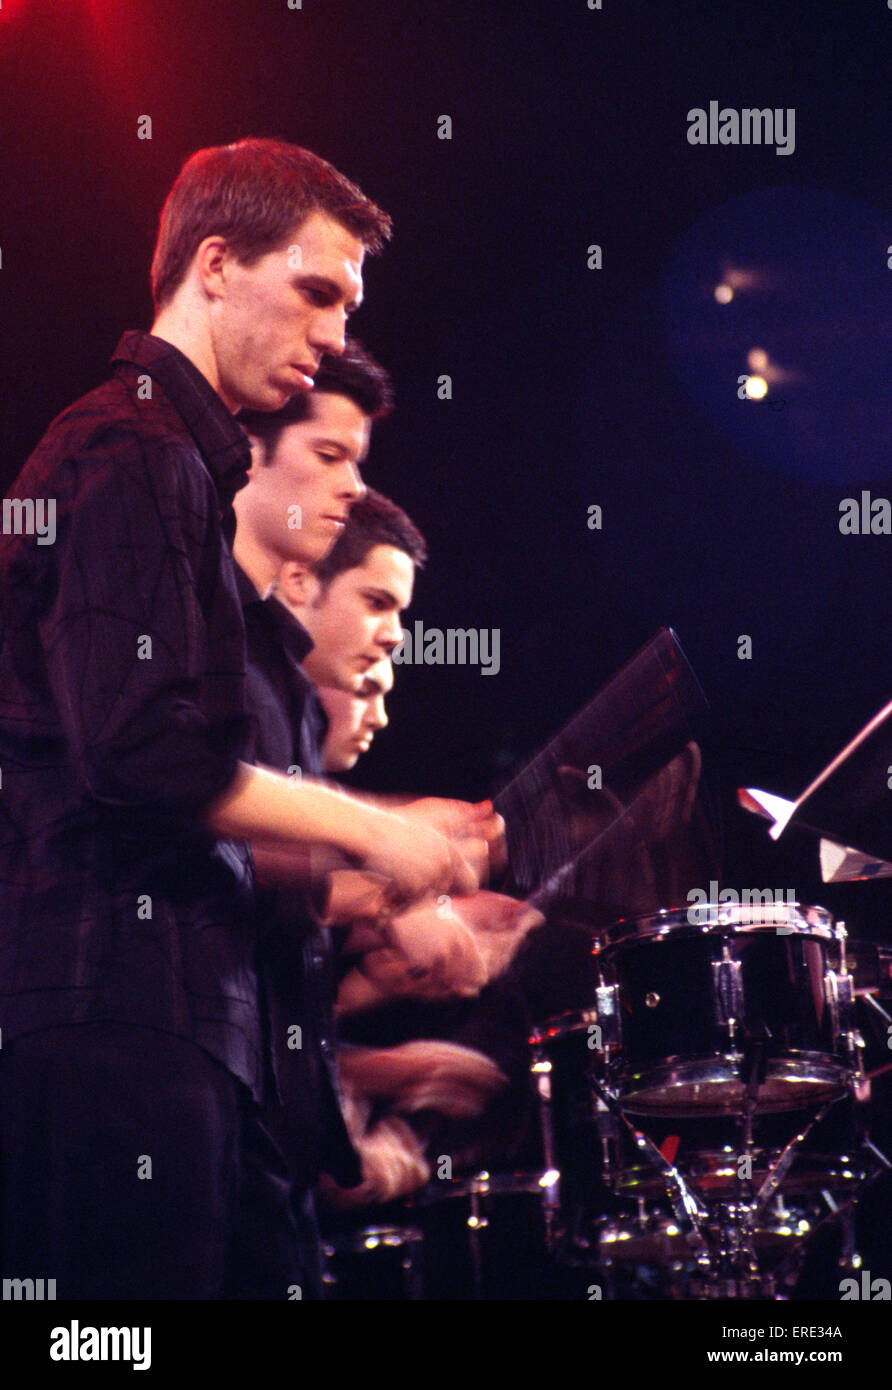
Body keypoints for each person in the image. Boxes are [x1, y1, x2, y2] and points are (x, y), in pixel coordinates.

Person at [0, 137, 481, 1301]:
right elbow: (143, 751)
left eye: (347, 305)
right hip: (116, 1019)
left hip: (167, 1025)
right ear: (215, 264)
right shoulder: (131, 446)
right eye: (315, 292)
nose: (332, 335)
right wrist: (374, 834)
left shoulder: (170, 466)